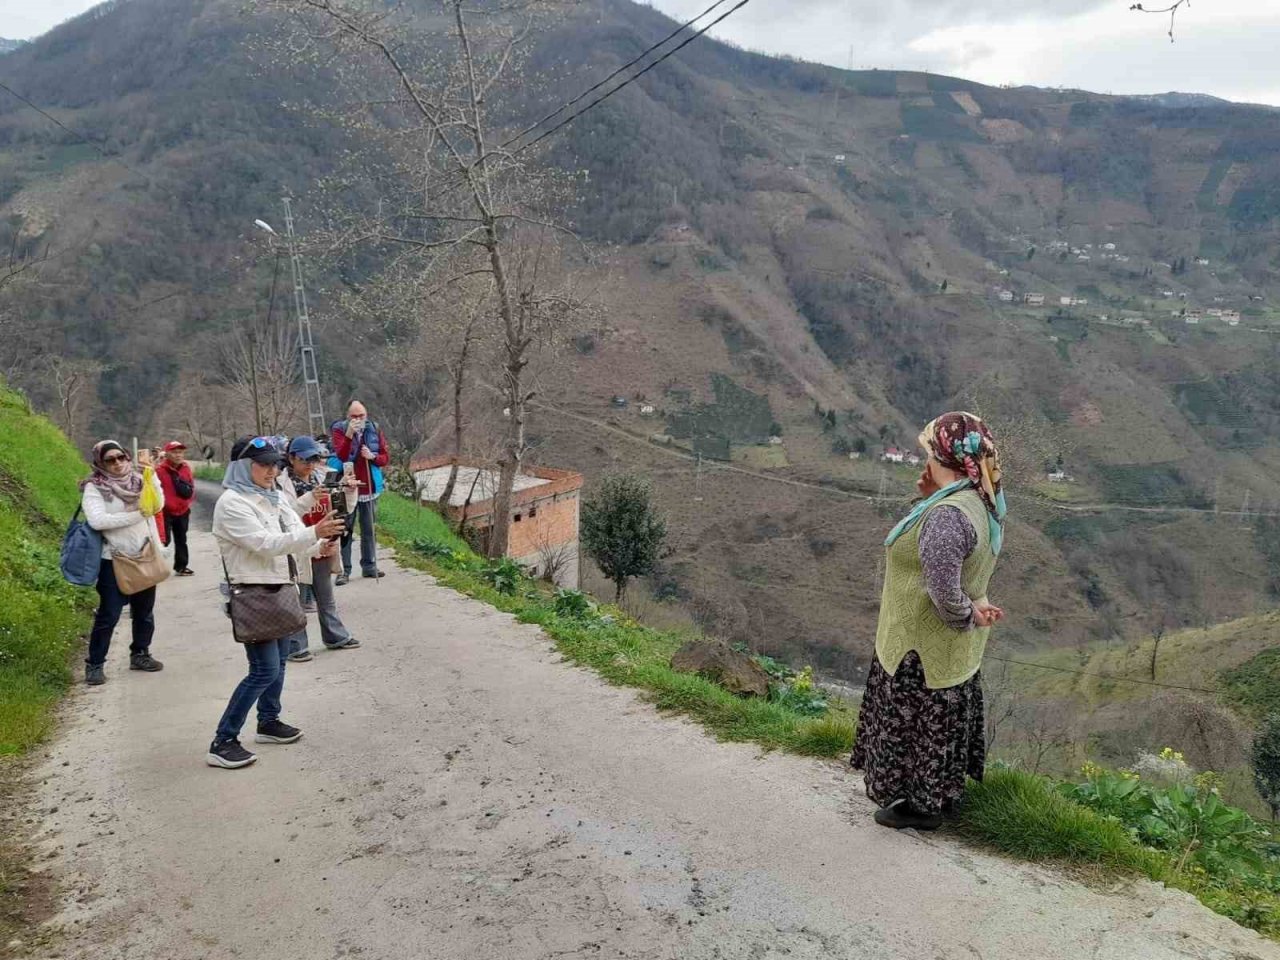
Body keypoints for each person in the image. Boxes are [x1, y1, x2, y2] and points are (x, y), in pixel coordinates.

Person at [851, 412, 1008, 831]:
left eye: (928, 451)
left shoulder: (947, 516)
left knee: (917, 720)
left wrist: (963, 613)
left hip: (920, 647)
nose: (924, 459)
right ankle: (939, 790)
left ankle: (920, 807)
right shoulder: (981, 501)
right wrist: (929, 497)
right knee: (942, 720)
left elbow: (942, 587)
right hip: (951, 650)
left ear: (942, 456)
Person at [207, 436, 345, 769]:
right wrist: (313, 534)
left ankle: (268, 721)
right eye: (263, 464)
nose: (271, 471)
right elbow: (265, 543)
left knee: (280, 660)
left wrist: (317, 548)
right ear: (242, 467)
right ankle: (223, 740)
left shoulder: (273, 497)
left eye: (274, 464)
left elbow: (291, 538)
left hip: (281, 587)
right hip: (253, 592)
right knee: (263, 669)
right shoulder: (232, 503)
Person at [80, 441, 167, 685]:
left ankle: (140, 653)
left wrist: (152, 475)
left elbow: (157, 504)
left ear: (128, 457)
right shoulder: (94, 488)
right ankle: (95, 664)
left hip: (144, 553)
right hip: (114, 559)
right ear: (100, 462)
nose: (117, 463)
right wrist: (137, 514)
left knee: (144, 612)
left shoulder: (140, 480)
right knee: (109, 614)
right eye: (110, 460)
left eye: (121, 457)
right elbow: (98, 521)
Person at [281, 435, 361, 661]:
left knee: (326, 596)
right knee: (296, 599)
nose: (310, 464)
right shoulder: (282, 485)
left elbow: (343, 507)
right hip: (297, 545)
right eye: (305, 459)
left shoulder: (323, 477)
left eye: (314, 459)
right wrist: (309, 497)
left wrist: (349, 490)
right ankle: (296, 646)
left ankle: (335, 636)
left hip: (324, 542)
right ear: (291, 458)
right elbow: (285, 516)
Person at [329, 399, 390, 584]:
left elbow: (385, 457)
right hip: (346, 487)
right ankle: (344, 570)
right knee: (344, 529)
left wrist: (372, 456)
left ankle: (369, 566)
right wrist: (349, 435)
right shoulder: (339, 430)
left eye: (361, 416)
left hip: (369, 486)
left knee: (369, 529)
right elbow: (341, 455)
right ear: (348, 417)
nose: (358, 419)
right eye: (354, 416)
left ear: (366, 415)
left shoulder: (375, 429)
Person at [156, 440, 196, 576]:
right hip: (165, 512)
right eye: (174, 452)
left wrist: (187, 503)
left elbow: (191, 486)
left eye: (180, 452)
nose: (178, 455)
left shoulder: (186, 468)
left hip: (183, 511)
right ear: (167, 454)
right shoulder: (159, 470)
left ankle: (181, 566)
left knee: (181, 539)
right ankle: (159, 568)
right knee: (164, 540)